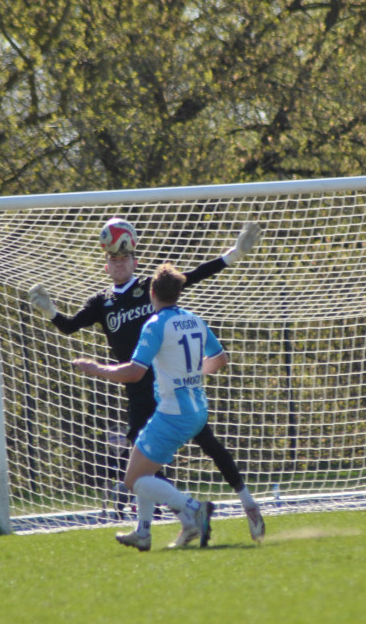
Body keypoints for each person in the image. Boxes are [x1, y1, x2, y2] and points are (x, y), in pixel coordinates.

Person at [29, 219, 266, 545]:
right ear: (107, 264)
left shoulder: (149, 290)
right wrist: (51, 313)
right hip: (138, 392)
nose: (119, 264)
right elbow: (70, 326)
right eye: (113, 260)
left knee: (202, 448)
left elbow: (193, 275)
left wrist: (233, 255)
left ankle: (225, 507)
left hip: (165, 387)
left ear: (135, 261)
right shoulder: (102, 302)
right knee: (144, 462)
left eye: (124, 259)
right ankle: (173, 523)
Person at [73, 263, 227, 551]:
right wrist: (192, 373)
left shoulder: (155, 324)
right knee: (142, 466)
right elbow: (220, 359)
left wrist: (94, 368)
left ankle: (194, 509)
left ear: (152, 293)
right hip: (197, 410)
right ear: (178, 292)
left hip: (173, 413)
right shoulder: (194, 319)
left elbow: (134, 372)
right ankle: (144, 531)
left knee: (134, 481)